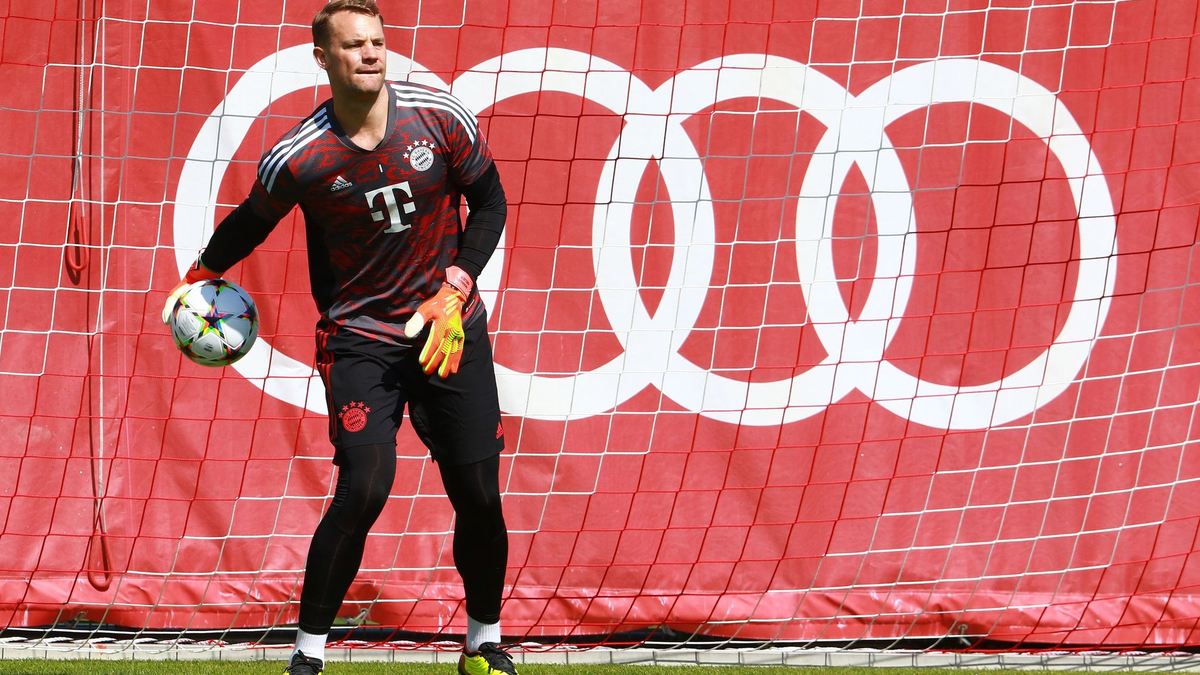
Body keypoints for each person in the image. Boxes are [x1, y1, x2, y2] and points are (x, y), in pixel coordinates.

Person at [162, 2, 514, 674]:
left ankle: (485, 641)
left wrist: (457, 285)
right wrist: (199, 277)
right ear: (321, 57)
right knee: (365, 485)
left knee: (479, 492)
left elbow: (491, 200)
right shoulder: (300, 155)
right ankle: (308, 656)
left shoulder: (440, 118)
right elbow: (251, 222)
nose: (371, 55)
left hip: (449, 328)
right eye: (353, 46)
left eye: (377, 42)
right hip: (361, 337)